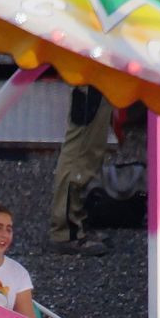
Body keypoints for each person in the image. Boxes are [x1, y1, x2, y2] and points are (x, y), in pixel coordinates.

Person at [48, 86, 111, 255]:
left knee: (91, 147)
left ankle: (77, 222)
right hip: (92, 73)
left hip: (99, 73)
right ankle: (66, 231)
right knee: (80, 152)